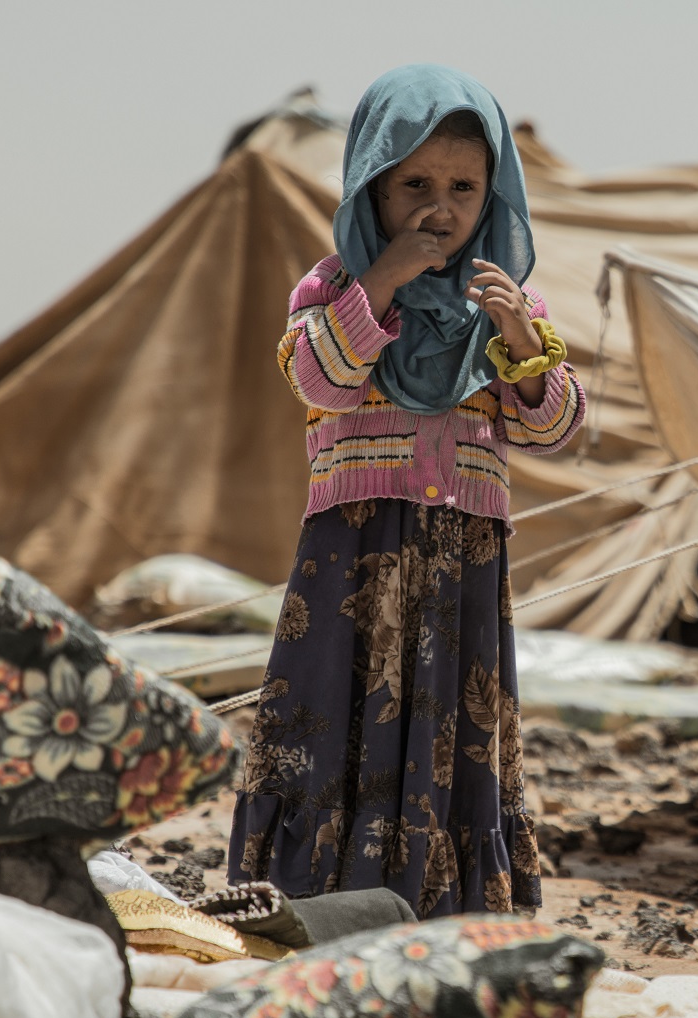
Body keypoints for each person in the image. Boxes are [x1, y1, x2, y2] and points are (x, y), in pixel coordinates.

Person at [227, 65, 584, 916]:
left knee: (453, 727)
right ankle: (319, 888)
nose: (441, 206)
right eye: (414, 183)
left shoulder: (508, 304)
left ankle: (446, 895)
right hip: (356, 550)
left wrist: (522, 342)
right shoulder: (333, 288)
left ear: (495, 192)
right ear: (370, 187)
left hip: (463, 562)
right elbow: (320, 380)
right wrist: (381, 282)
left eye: (464, 186)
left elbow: (558, 430)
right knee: (338, 712)